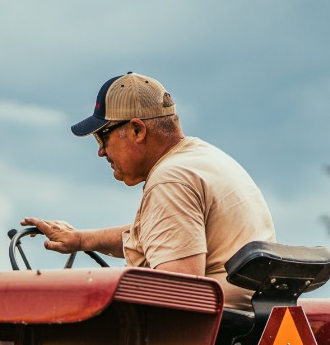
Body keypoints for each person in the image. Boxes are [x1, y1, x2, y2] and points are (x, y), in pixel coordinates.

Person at [23, 72, 275, 310]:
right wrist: (80, 240)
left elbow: (181, 296)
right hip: (245, 325)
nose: (100, 151)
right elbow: (164, 237)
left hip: (211, 335)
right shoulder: (205, 159)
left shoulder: (171, 180)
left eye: (102, 136)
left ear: (137, 130)